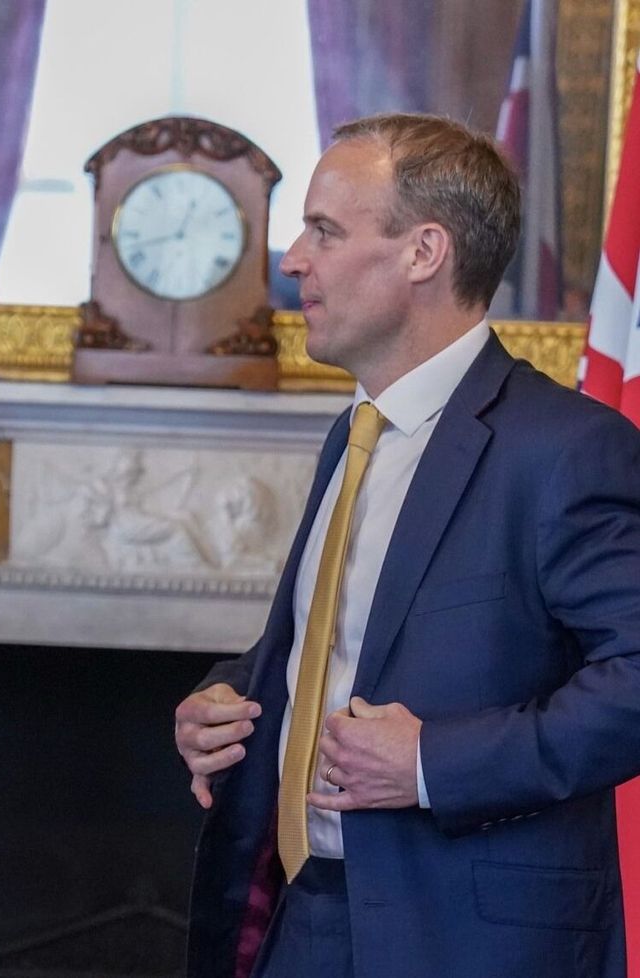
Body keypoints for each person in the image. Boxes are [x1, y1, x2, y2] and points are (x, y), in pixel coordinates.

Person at [173, 113, 640, 978]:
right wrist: (229, 700)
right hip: (300, 917)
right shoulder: (355, 433)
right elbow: (341, 646)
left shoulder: (564, 447)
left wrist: (431, 763)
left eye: (324, 230)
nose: (292, 261)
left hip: (471, 939)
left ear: (425, 252)